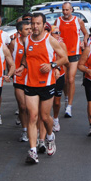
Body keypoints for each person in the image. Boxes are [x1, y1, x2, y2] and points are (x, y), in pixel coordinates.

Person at [16, 12, 68, 164]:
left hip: (46, 83)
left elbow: (64, 58)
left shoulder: (50, 40)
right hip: (30, 82)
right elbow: (26, 55)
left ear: (44, 25)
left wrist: (52, 65)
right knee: (32, 116)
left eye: (38, 23)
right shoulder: (27, 40)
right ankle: (32, 151)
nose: (35, 26)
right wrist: (23, 66)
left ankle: (50, 137)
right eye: (33, 23)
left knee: (45, 117)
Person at [54, 2, 88, 118]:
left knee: (71, 79)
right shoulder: (58, 21)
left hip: (74, 53)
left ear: (72, 10)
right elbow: (52, 34)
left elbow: (86, 33)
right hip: (62, 53)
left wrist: (84, 41)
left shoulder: (78, 21)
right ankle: (67, 97)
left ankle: (69, 106)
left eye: (67, 10)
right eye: (63, 10)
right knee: (63, 80)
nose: (65, 12)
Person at [9, 19, 31, 142]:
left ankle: (35, 129)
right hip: (19, 78)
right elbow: (9, 60)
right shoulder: (14, 43)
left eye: (30, 29)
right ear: (19, 31)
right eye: (26, 29)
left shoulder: (34, 42)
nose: (29, 31)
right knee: (22, 107)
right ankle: (24, 130)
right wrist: (11, 73)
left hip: (32, 78)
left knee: (31, 108)